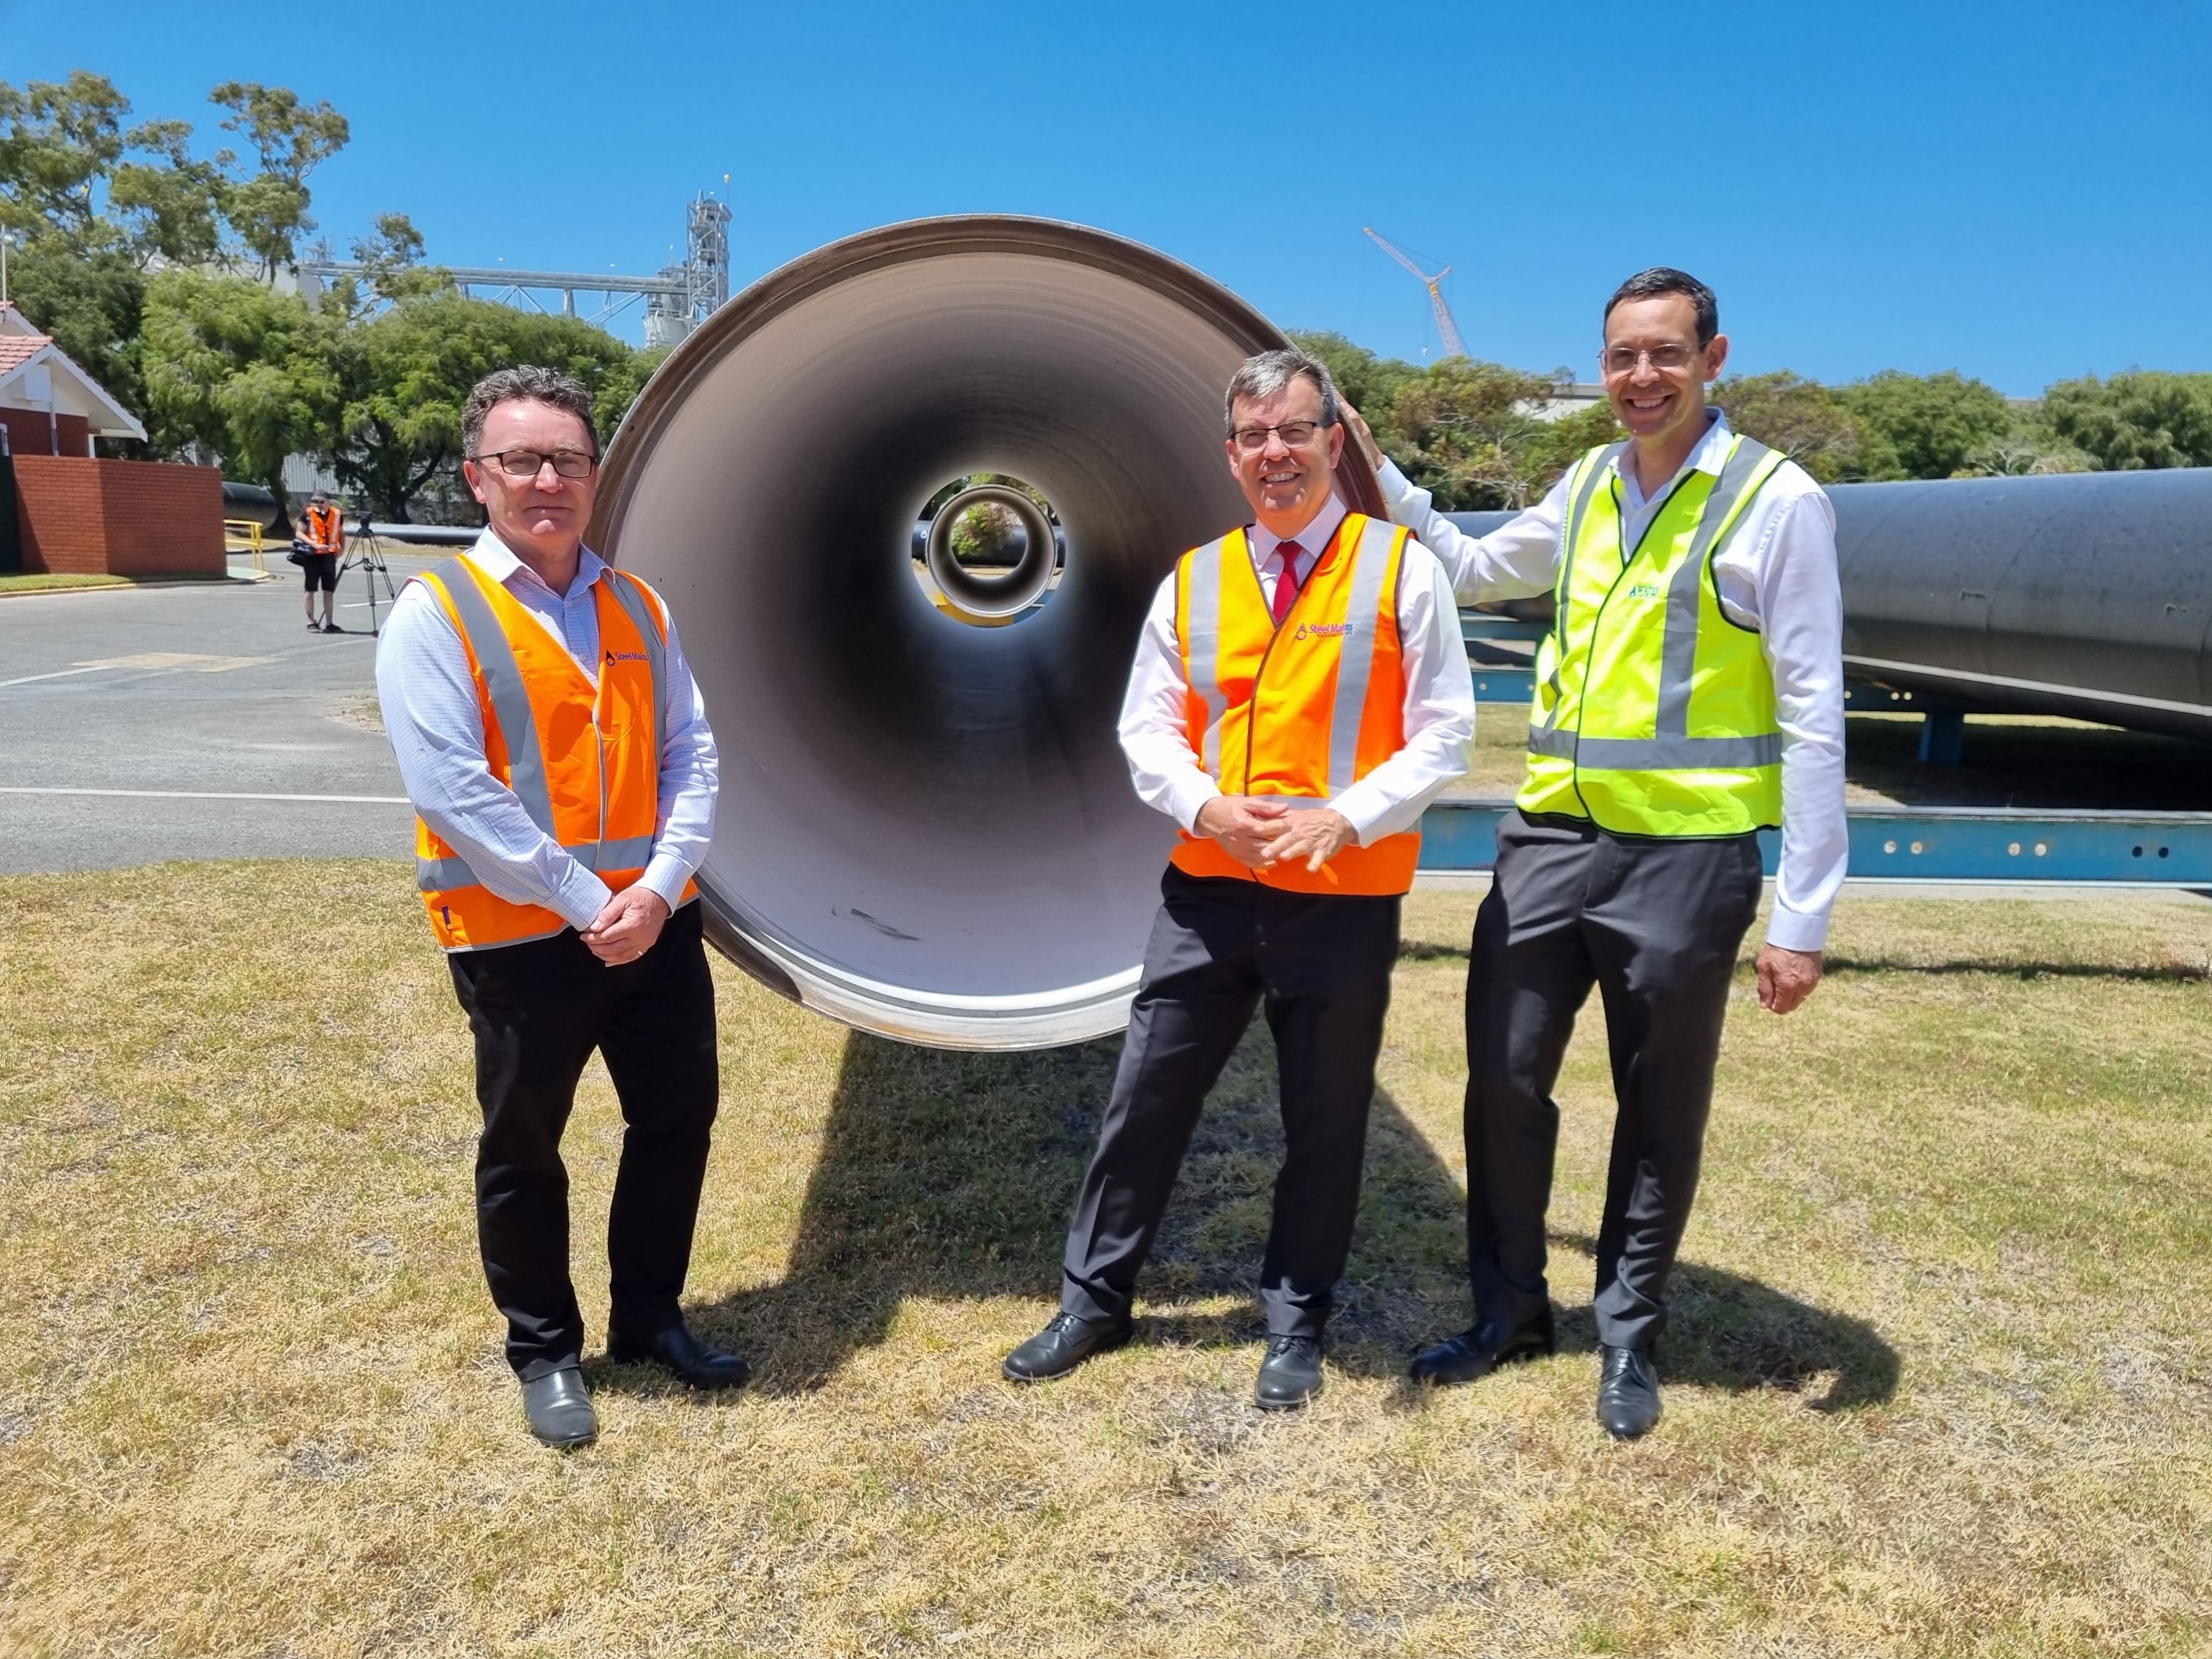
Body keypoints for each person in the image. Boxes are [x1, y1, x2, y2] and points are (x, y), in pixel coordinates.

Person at [1343, 268, 1845, 1439]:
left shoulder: (1777, 502)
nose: (1641, 377)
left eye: (1667, 353)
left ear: (1715, 359)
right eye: (1622, 355)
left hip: (1687, 856)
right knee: (1503, 1080)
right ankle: (1511, 1313)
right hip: (1550, 843)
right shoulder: (1588, 484)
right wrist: (1381, 478)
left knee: (1656, 1106)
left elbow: (1817, 715)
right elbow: (1470, 570)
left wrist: (1804, 916)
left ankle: (1628, 1334)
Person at [1002, 347, 1475, 1409]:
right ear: (1230, 454)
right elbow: (1147, 726)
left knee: (1326, 1113)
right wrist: (1207, 807)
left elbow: (1448, 734)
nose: (1276, 454)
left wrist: (1342, 818)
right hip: (1209, 892)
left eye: (1297, 431)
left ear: (1333, 443)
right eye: (1255, 437)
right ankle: (1093, 1299)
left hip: (1343, 895)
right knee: (1147, 1095)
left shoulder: (1404, 570)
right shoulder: (1195, 577)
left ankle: (1297, 1318)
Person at [375, 366, 745, 1448]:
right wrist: (594, 901)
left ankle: (649, 1321)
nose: (548, 479)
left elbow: (694, 757)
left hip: (655, 928)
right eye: (521, 460)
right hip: (522, 941)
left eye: (568, 460)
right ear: (476, 479)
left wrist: (661, 889)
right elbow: (454, 790)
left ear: (594, 474)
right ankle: (544, 1350)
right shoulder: (435, 613)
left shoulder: (638, 604)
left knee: (676, 1121)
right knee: (527, 1144)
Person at [300, 491, 344, 633]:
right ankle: (311, 621)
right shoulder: (308, 513)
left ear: (328, 501)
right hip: (313, 556)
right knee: (310, 589)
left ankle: (330, 623)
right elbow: (299, 533)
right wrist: (315, 545)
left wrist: (342, 549)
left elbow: (341, 533)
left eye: (321, 502)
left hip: (329, 557)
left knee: (329, 591)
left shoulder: (337, 514)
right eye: (316, 502)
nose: (319, 505)